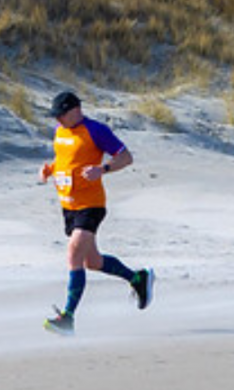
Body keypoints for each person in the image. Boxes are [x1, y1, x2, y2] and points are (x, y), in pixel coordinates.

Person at [38, 90, 154, 334]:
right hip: (68, 206)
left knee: (73, 254)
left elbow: (126, 157)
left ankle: (67, 318)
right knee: (92, 262)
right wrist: (49, 169)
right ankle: (138, 278)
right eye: (55, 116)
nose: (57, 119)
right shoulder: (60, 131)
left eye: (61, 114)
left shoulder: (96, 130)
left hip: (90, 205)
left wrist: (103, 169)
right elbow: (65, 159)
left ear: (76, 110)